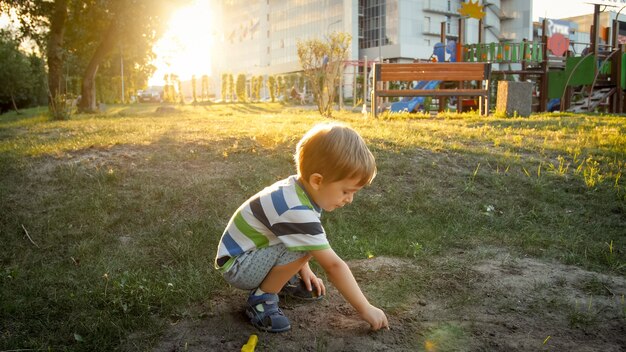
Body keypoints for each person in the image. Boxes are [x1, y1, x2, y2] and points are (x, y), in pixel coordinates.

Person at [214, 123, 389, 333]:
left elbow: (288, 235)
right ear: (317, 180)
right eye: (345, 191)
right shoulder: (295, 208)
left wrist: (302, 268)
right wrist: (365, 308)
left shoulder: (297, 191)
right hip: (239, 267)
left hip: (247, 256)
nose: (349, 199)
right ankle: (261, 301)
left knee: (308, 243)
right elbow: (333, 266)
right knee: (311, 245)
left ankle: (281, 281)